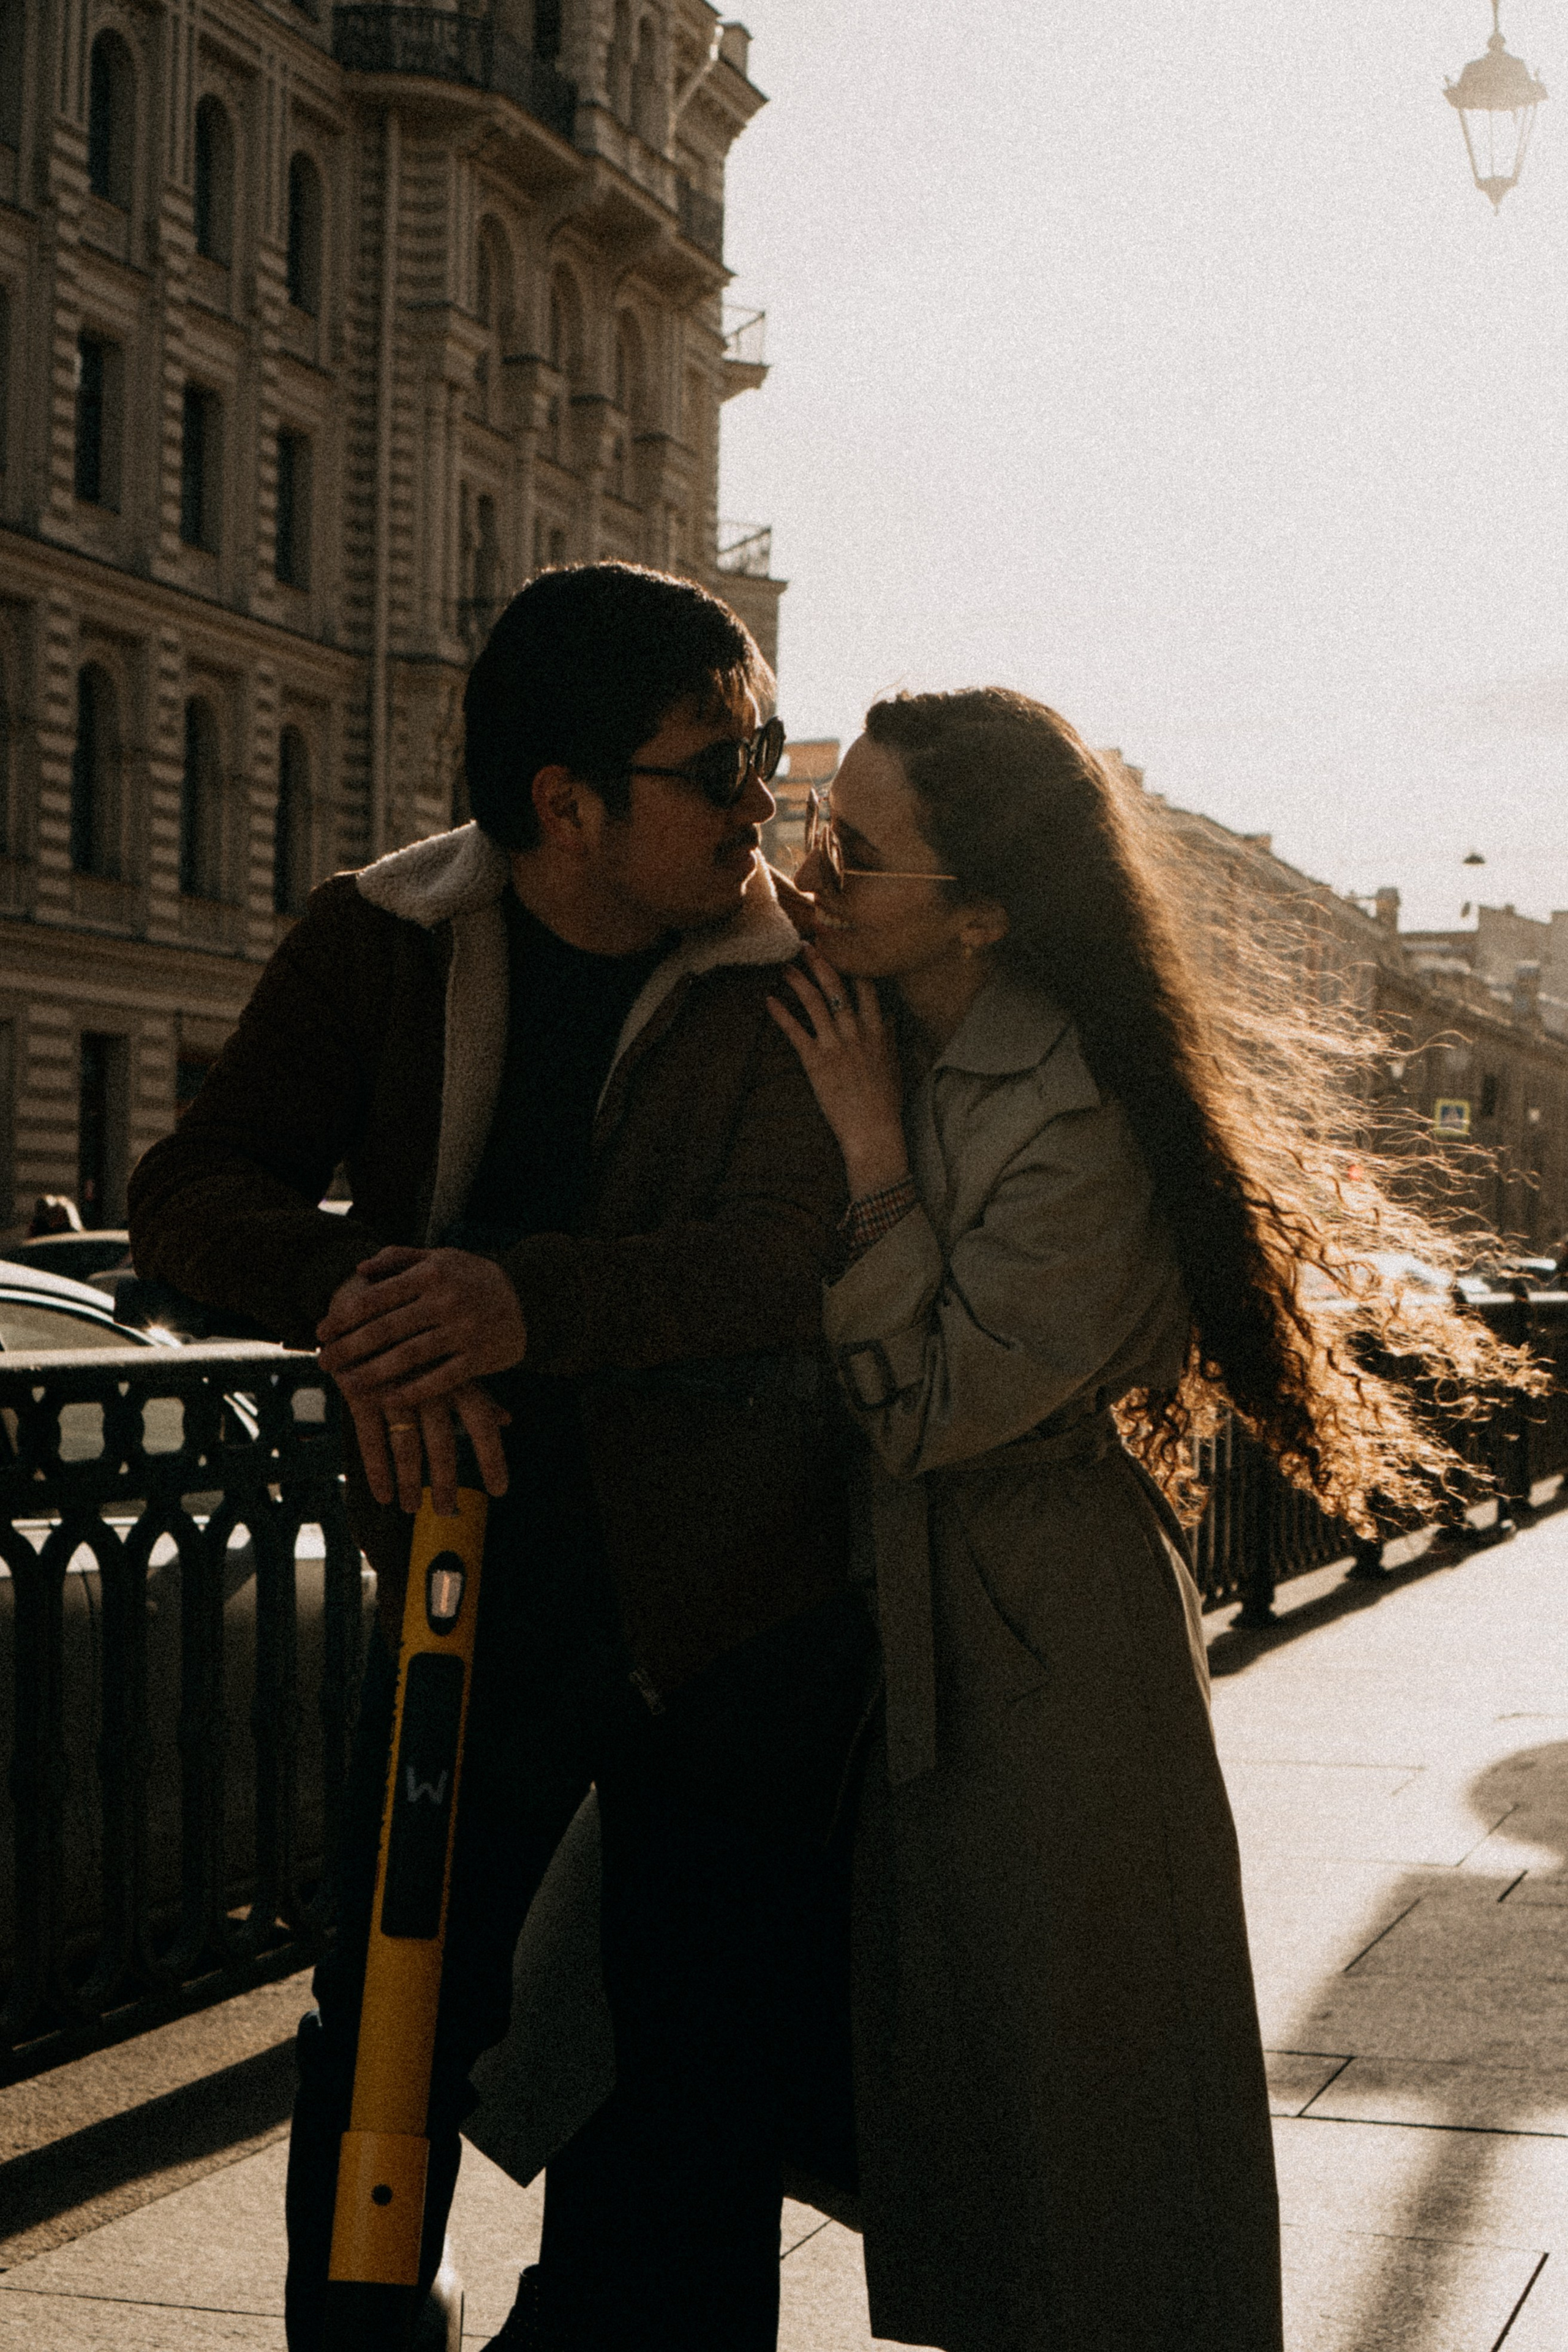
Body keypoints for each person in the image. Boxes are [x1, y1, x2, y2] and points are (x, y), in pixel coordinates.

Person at [127, 563, 872, 2352]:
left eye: (766, 746)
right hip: (466, 1595)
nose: (763, 793)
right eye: (721, 761)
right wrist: (373, 1296)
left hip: (732, 1624)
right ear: (565, 802)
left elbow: (797, 1260)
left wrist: (519, 1306)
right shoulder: (379, 939)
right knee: (386, 2021)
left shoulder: (791, 974)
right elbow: (188, 1199)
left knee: (687, 2079)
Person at [761, 687, 1531, 2352]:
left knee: (1096, 2123)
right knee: (963, 2102)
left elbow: (931, 1406)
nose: (810, 871)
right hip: (914, 1619)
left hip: (1050, 1648)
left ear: (980, 908)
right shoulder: (886, 1011)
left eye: (853, 848)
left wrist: (876, 1154)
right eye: (815, 830)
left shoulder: (1070, 1107)